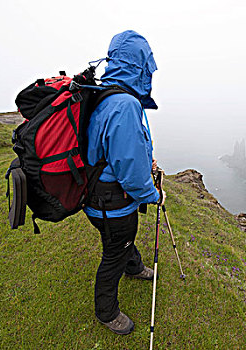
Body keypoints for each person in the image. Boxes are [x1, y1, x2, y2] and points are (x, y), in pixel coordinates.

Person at [84, 30, 164, 335]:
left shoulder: (105, 95)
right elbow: (130, 172)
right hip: (112, 203)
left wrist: (149, 160)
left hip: (96, 197)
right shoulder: (125, 105)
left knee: (119, 242)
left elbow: (117, 148)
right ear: (140, 66)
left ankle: (135, 267)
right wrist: (153, 195)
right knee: (115, 250)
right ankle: (107, 311)